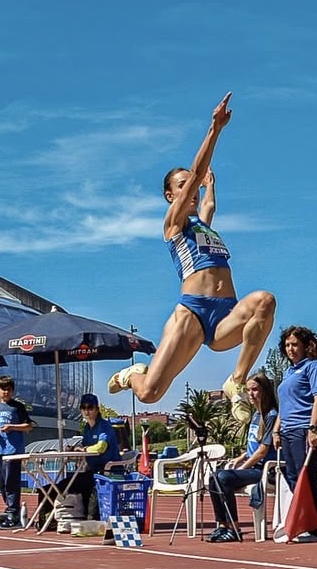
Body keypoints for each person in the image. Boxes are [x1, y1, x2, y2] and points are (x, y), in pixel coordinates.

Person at [107, 93, 277, 418]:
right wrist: (215, 130)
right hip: (192, 314)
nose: (193, 191)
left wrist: (210, 186)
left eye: (195, 187)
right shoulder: (173, 224)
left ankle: (237, 381)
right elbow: (196, 176)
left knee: (264, 302)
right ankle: (132, 375)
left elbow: (209, 204)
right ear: (171, 195)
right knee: (151, 394)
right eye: (185, 186)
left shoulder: (203, 226)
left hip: (225, 315)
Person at [206, 373, 279, 543]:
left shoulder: (271, 416)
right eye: (248, 390)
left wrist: (242, 468)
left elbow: (262, 451)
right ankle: (222, 525)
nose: (251, 394)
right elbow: (253, 448)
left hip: (264, 470)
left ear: (265, 392)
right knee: (213, 478)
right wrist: (240, 457)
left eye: (255, 390)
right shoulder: (255, 416)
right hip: (252, 467)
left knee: (224, 478)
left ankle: (234, 528)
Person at [276, 325, 317, 543]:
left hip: (303, 429)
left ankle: (311, 526)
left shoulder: (314, 368)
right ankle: (297, 522)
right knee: (292, 478)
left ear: (307, 346)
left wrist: (313, 428)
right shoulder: (289, 372)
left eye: (295, 344)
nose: (290, 349)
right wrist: (276, 429)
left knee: (305, 477)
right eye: (287, 345)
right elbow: (283, 405)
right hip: (287, 430)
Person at [38, 393, 120, 528]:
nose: (87, 411)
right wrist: (74, 449)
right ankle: (47, 520)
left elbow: (101, 447)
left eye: (90, 407)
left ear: (97, 409)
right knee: (48, 488)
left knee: (77, 485)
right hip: (91, 471)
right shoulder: (87, 428)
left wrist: (83, 450)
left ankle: (85, 519)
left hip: (107, 472)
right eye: (83, 407)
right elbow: (84, 446)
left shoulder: (104, 426)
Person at [0, 375, 34, 529]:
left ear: (12, 391)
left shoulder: (18, 407)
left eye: (8, 390)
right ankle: (9, 508)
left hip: (14, 450)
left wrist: (12, 427)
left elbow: (29, 426)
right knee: (2, 483)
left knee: (11, 481)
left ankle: (14, 512)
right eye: (3, 389)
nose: (6, 392)